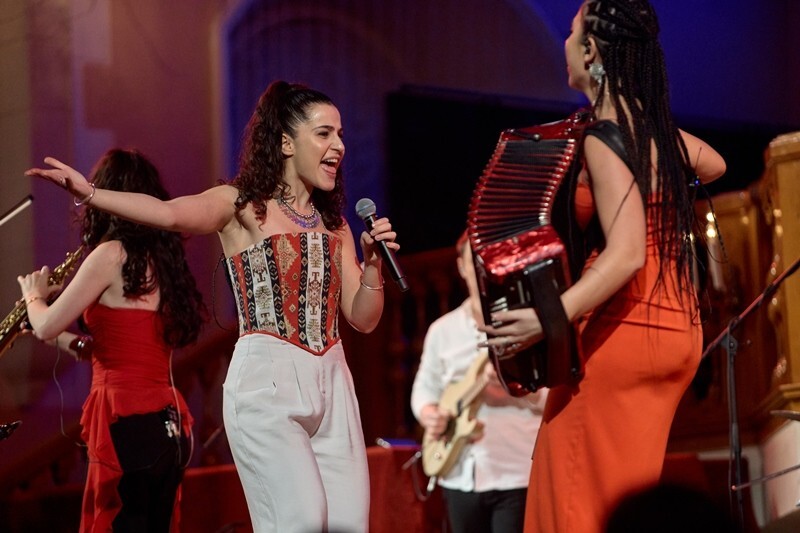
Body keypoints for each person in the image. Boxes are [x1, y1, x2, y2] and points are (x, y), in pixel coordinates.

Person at [26, 81, 399, 533]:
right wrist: (90, 193)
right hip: (268, 379)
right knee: (300, 521)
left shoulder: (335, 225)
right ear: (286, 142)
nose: (338, 145)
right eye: (324, 133)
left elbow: (363, 318)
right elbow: (168, 213)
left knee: (347, 525)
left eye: (340, 134)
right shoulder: (241, 205)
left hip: (334, 378)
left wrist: (373, 266)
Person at [479, 1, 727, 532]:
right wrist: (647, 134)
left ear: (590, 50)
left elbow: (627, 252)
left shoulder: (605, 135)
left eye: (571, 33)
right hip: (676, 332)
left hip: (622, 331)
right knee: (621, 499)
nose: (565, 44)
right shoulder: (645, 130)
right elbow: (715, 163)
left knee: (573, 501)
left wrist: (547, 317)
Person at [18, 149, 205, 532]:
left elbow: (46, 324)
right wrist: (56, 338)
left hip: (124, 418)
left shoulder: (110, 254)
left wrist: (33, 297)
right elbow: (111, 351)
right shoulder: (164, 263)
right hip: (168, 424)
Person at [411, 232, 547, 533]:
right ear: (461, 267)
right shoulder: (442, 330)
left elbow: (553, 396)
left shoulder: (526, 325)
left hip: (516, 471)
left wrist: (516, 390)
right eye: (475, 261)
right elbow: (424, 388)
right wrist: (430, 413)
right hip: (458, 471)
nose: (482, 268)